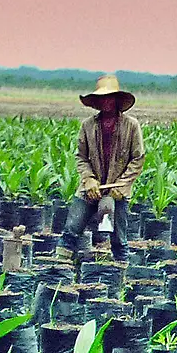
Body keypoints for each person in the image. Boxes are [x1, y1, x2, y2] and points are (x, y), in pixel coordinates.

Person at [63, 74, 145, 257]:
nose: (106, 101)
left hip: (118, 190)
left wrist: (123, 185)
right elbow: (81, 157)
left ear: (117, 100)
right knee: (70, 230)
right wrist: (89, 179)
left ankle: (121, 274)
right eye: (102, 98)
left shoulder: (131, 126)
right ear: (97, 102)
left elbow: (138, 159)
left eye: (109, 97)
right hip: (91, 187)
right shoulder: (88, 126)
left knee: (119, 240)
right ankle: (61, 271)